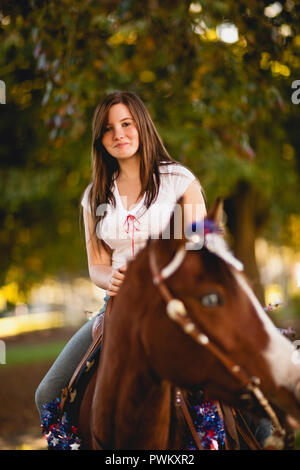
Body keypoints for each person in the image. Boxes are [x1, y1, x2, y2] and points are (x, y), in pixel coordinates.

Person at [35, 90, 206, 419]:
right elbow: (97, 264)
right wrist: (108, 278)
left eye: (126, 123)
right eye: (108, 128)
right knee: (47, 394)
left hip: (178, 300)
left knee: (242, 379)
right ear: (100, 139)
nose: (119, 134)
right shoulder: (94, 195)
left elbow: (200, 249)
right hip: (117, 308)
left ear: (141, 125)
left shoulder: (179, 181)